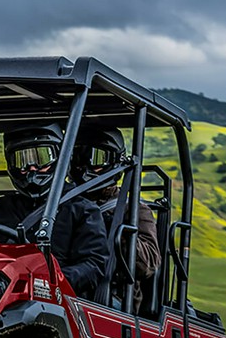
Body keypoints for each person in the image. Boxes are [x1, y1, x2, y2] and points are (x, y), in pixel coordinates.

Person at [0, 124, 109, 299]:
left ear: (59, 158)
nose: (32, 168)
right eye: (22, 160)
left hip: (61, 300)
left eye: (41, 158)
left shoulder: (82, 210)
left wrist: (53, 282)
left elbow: (94, 264)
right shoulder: (0, 209)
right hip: (1, 296)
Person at [69, 128, 161, 309]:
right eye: (80, 158)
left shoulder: (133, 209)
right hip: (66, 285)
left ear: (115, 162)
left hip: (111, 296)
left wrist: (117, 230)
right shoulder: (61, 204)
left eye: (96, 159)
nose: (85, 167)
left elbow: (149, 264)